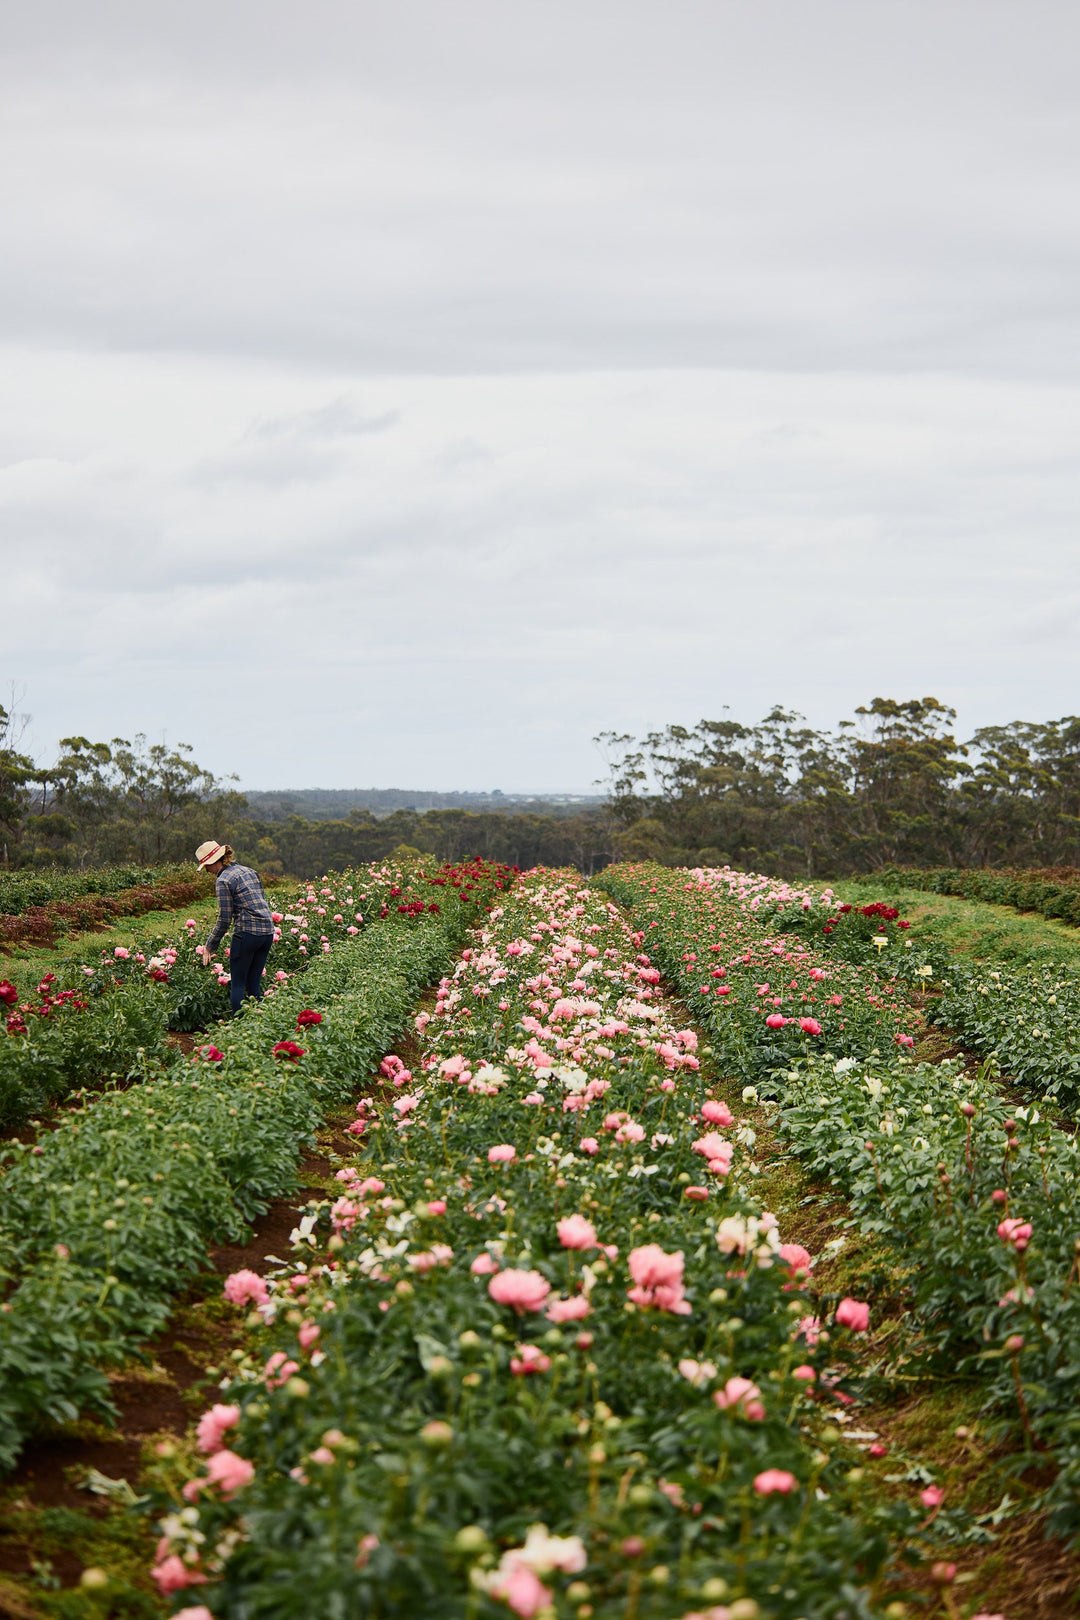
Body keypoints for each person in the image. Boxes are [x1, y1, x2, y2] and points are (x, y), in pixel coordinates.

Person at [194, 841, 275, 1014]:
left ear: (212, 862)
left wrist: (210, 946)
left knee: (237, 984)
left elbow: (224, 918)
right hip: (267, 932)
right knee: (254, 984)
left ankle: (239, 1026)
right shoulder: (249, 871)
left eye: (206, 866)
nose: (207, 871)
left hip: (247, 933)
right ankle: (260, 1023)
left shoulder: (223, 880)